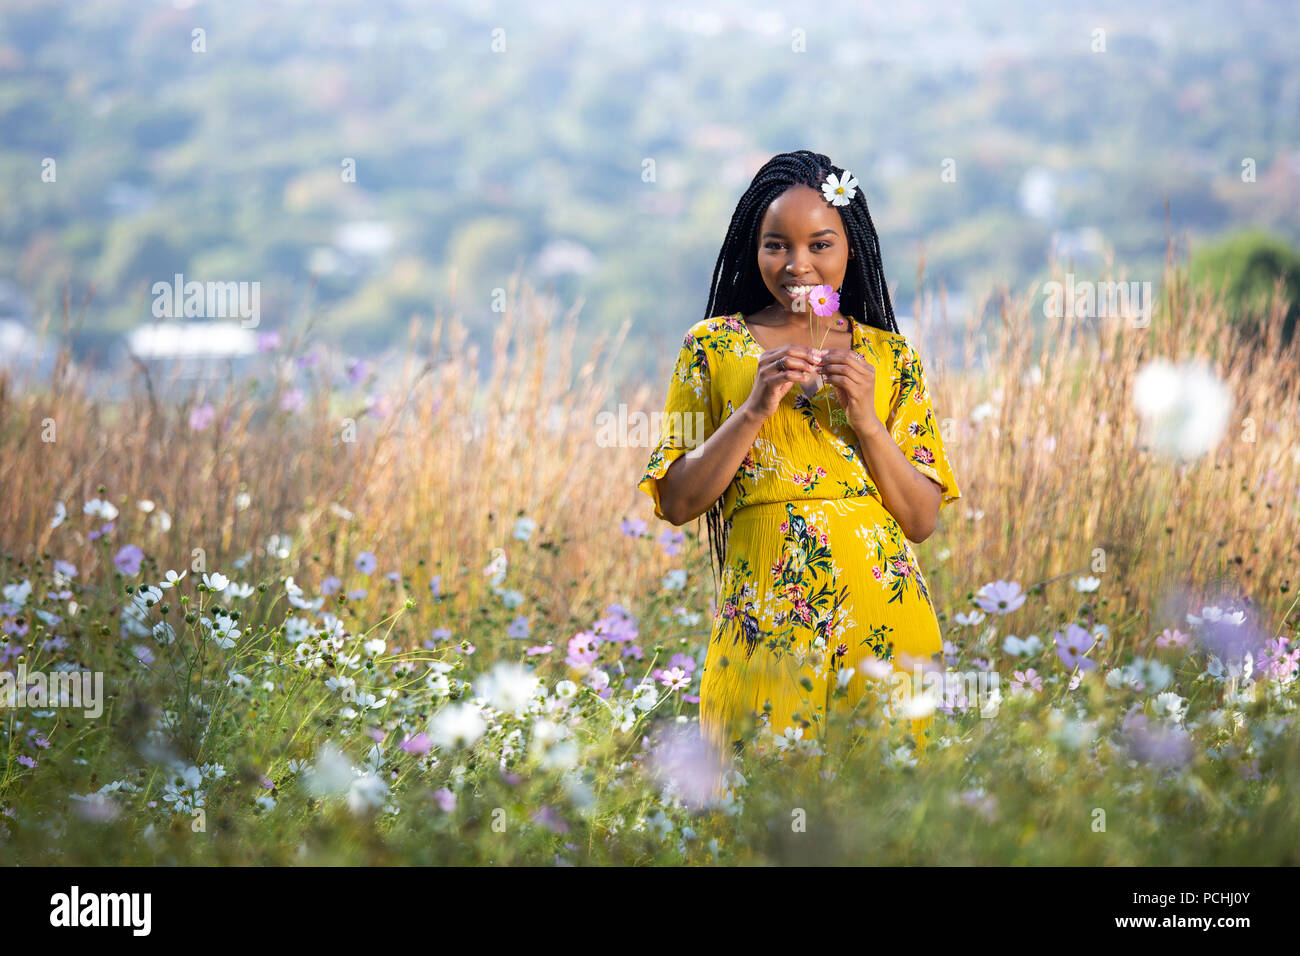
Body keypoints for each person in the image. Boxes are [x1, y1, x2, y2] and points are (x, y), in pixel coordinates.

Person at [636, 149, 961, 798]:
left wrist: (867, 420)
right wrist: (755, 408)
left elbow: (922, 520)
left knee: (888, 816)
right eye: (776, 245)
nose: (797, 264)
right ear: (752, 250)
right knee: (755, 809)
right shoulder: (712, 348)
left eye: (820, 243)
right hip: (764, 625)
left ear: (852, 247)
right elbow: (675, 500)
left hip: (885, 621)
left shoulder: (888, 357)